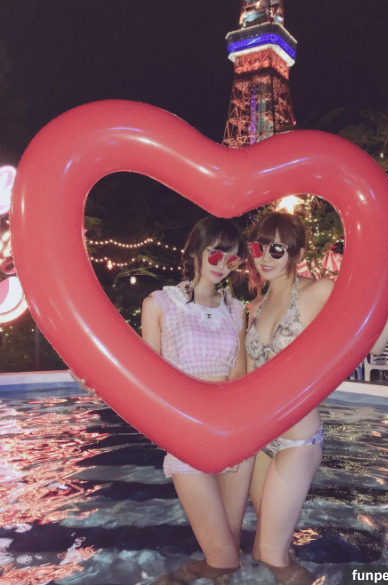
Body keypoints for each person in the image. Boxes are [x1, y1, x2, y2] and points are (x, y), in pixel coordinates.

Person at [245, 212, 388, 584]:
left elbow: (371, 345)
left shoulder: (317, 292)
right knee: (264, 550)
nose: (265, 257)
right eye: (259, 247)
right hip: (260, 442)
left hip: (296, 442)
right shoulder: (256, 306)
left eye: (277, 249)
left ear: (298, 253)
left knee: (272, 556)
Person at [142, 217, 254, 584]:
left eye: (232, 259)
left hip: (234, 432)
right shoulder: (160, 303)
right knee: (224, 558)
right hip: (187, 433)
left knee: (230, 548)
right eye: (216, 254)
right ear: (195, 252)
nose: (223, 264)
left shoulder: (236, 310)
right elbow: (147, 377)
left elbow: (238, 376)